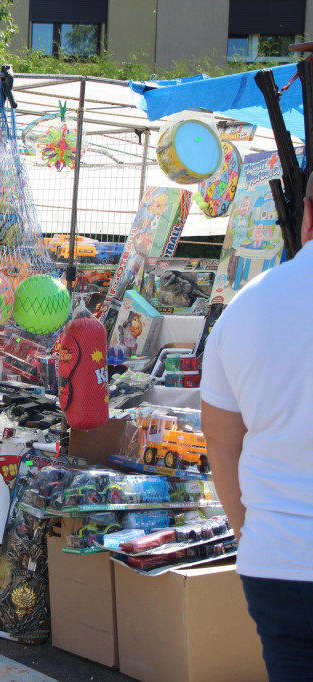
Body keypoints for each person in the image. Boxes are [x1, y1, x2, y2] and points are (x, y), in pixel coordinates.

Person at [201, 174, 313, 680]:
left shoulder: (247, 305)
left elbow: (222, 445)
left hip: (278, 562)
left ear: (307, 214)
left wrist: (251, 532)